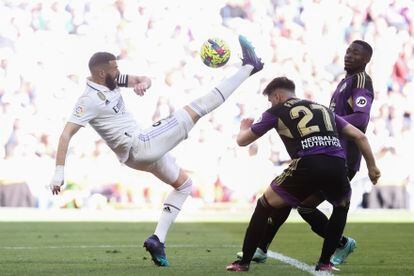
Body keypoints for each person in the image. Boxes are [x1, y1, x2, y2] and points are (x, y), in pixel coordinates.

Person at [48, 35, 264, 267]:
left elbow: (143, 79)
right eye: (114, 69)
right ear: (101, 73)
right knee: (198, 107)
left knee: (184, 185)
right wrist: (58, 173)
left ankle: (157, 239)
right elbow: (65, 134)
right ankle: (250, 67)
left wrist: (143, 84)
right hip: (139, 144)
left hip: (138, 155)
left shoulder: (110, 80)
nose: (118, 71)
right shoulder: (88, 99)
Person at [236, 40, 374, 266]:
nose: (349, 55)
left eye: (356, 53)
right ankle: (263, 248)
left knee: (294, 200)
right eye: (348, 51)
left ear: (366, 60)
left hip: (342, 156)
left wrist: (327, 124)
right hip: (327, 152)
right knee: (296, 201)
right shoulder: (345, 82)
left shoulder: (361, 80)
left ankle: (337, 244)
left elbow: (361, 119)